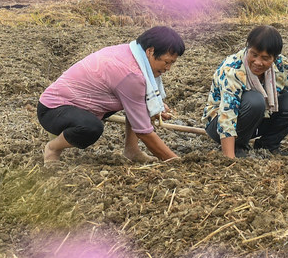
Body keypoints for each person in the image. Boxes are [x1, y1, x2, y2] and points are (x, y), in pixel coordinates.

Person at [38, 26, 184, 163]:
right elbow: (144, 132)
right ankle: (53, 148)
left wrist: (156, 106)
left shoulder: (131, 52)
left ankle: (132, 151)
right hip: (53, 110)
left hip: (80, 106)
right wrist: (175, 161)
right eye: (166, 62)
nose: (168, 68)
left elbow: (141, 98)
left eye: (172, 63)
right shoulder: (131, 73)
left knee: (141, 100)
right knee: (91, 128)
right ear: (150, 51)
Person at [204, 25, 288, 159]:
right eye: (254, 55)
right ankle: (238, 146)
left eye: (265, 58)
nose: (258, 62)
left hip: (258, 119)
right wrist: (229, 159)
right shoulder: (233, 69)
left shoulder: (280, 65)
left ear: (275, 58)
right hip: (219, 124)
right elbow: (227, 115)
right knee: (255, 100)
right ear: (247, 48)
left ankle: (268, 145)